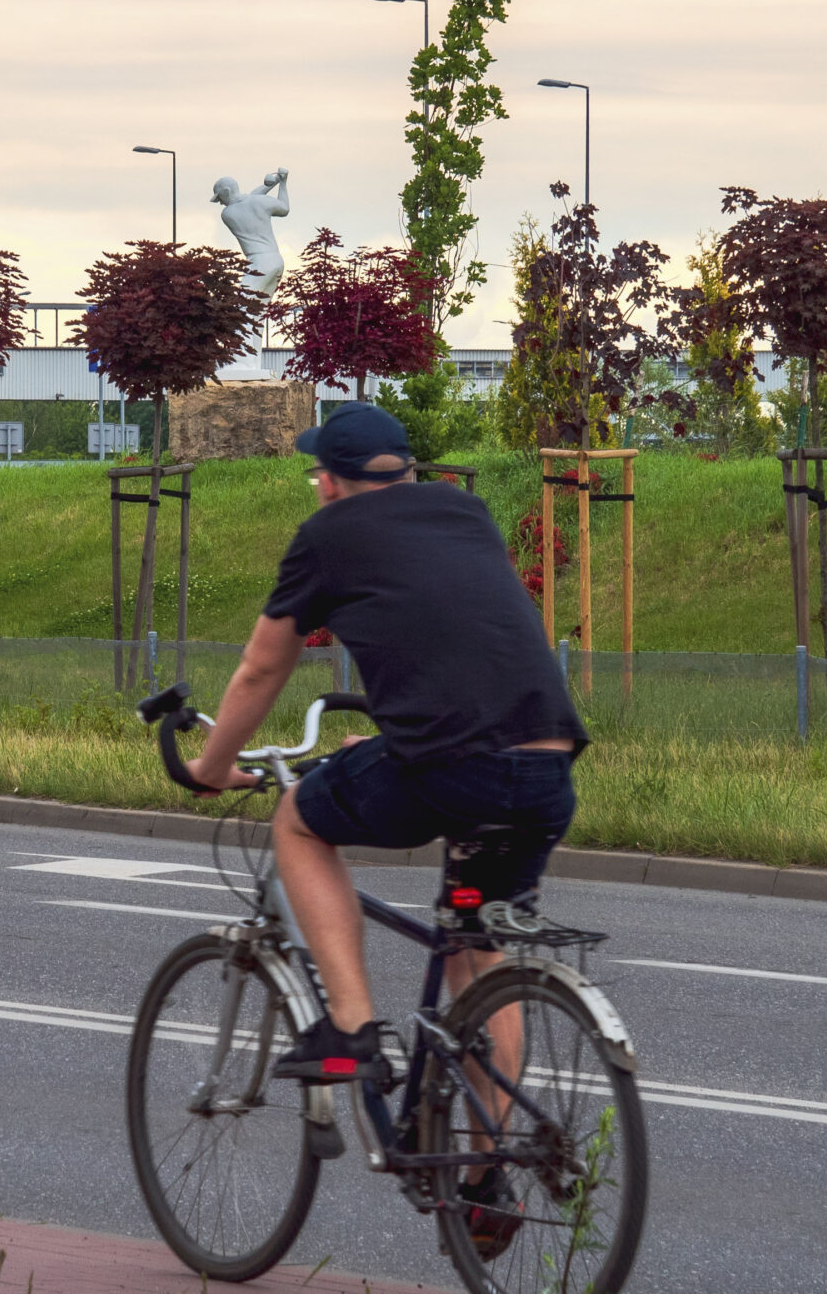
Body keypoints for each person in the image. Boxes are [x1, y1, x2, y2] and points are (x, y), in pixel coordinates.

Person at [184, 402, 586, 1087]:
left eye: (318, 476)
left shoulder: (327, 534)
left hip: (454, 768)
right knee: (477, 955)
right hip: (545, 763)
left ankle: (350, 1027)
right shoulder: (467, 513)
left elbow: (262, 666)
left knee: (300, 823)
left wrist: (211, 767)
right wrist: (397, 733)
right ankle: (485, 1181)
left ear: (331, 482)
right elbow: (462, 632)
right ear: (404, 471)